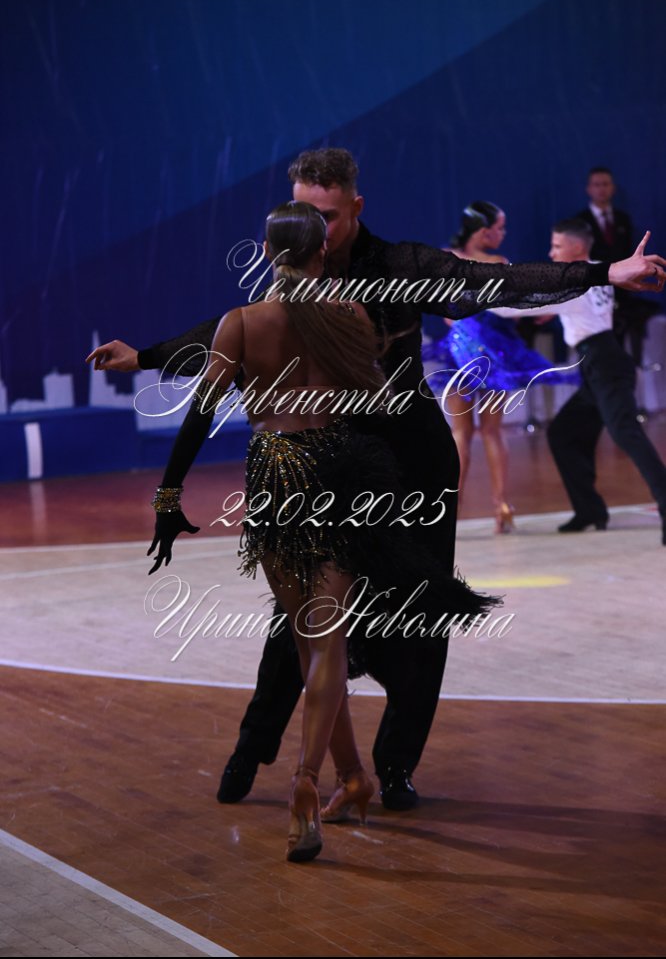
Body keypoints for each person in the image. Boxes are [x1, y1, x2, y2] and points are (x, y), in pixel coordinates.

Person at [87, 148, 665, 810]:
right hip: (336, 466)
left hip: (413, 463)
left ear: (356, 207)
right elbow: (228, 333)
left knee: (422, 617)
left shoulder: (400, 266)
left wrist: (604, 272)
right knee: (301, 618)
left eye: (328, 216)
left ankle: (393, 767)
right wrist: (147, 356)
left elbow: (493, 282)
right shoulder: (294, 275)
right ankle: (254, 745)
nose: (316, 229)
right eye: (304, 213)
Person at [146, 200, 498, 862]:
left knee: (309, 639)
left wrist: (168, 498)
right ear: (321, 253)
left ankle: (315, 779)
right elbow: (379, 401)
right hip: (340, 476)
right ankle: (340, 775)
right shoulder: (350, 316)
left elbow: (198, 418)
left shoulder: (241, 323)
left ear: (266, 251)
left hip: (276, 480)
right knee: (326, 640)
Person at [494, 218, 666, 543]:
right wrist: (556, 307)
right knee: (563, 434)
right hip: (596, 365)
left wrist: (472, 296)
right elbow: (575, 306)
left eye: (557, 246)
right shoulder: (600, 270)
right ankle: (589, 511)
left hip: (605, 365)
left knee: (627, 435)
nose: (551, 253)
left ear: (575, 248)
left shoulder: (576, 281)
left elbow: (512, 309)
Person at [426, 201, 577, 533]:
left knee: (460, 433)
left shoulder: (445, 258)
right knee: (491, 431)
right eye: (500, 228)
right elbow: (515, 310)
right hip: (495, 356)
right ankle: (502, 506)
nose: (503, 234)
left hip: (460, 354)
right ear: (484, 232)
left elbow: (443, 310)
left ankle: (450, 512)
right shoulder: (498, 264)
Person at [575, 166, 658, 371]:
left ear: (612, 188)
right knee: (596, 354)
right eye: (597, 185)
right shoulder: (580, 222)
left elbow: (629, 257)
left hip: (621, 295)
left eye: (605, 184)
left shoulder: (622, 219)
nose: (601, 189)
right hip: (593, 295)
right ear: (589, 189)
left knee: (619, 349)